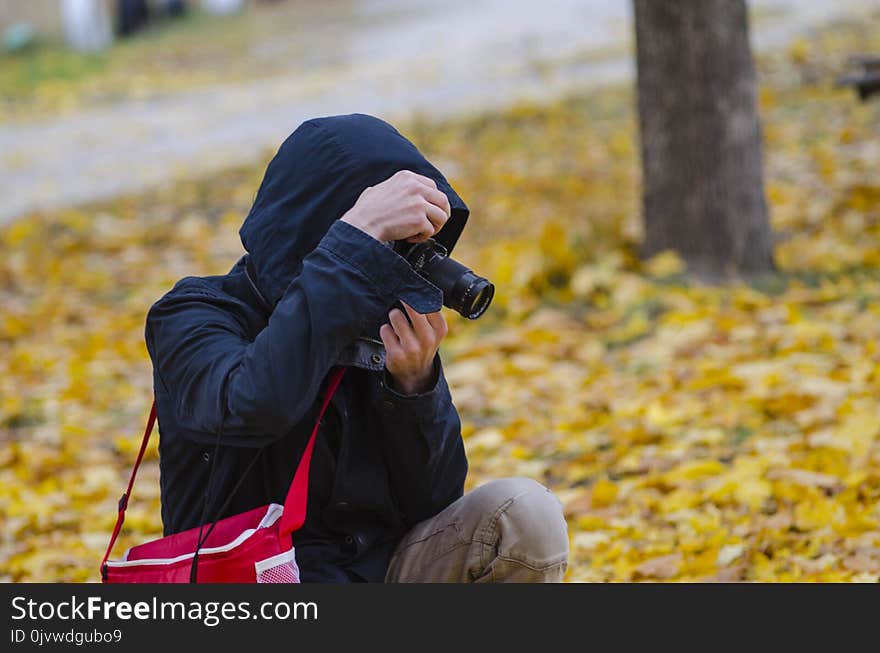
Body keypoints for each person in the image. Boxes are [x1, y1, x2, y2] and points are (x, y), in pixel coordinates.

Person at [145, 113, 569, 582]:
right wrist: (355, 243)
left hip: (372, 575)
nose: (392, 264)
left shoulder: (374, 316)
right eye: (385, 242)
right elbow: (254, 404)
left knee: (523, 515)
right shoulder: (191, 316)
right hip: (249, 581)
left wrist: (413, 390)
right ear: (320, 231)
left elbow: (435, 503)